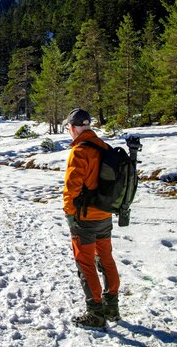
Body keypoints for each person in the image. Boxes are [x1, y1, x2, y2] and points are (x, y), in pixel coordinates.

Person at [63, 108, 120, 328]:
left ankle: (95, 313)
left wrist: (69, 214)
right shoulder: (103, 147)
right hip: (104, 215)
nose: (70, 131)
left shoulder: (80, 151)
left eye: (69, 128)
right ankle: (112, 307)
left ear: (74, 128)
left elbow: (72, 188)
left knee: (86, 263)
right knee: (106, 259)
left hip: (84, 219)